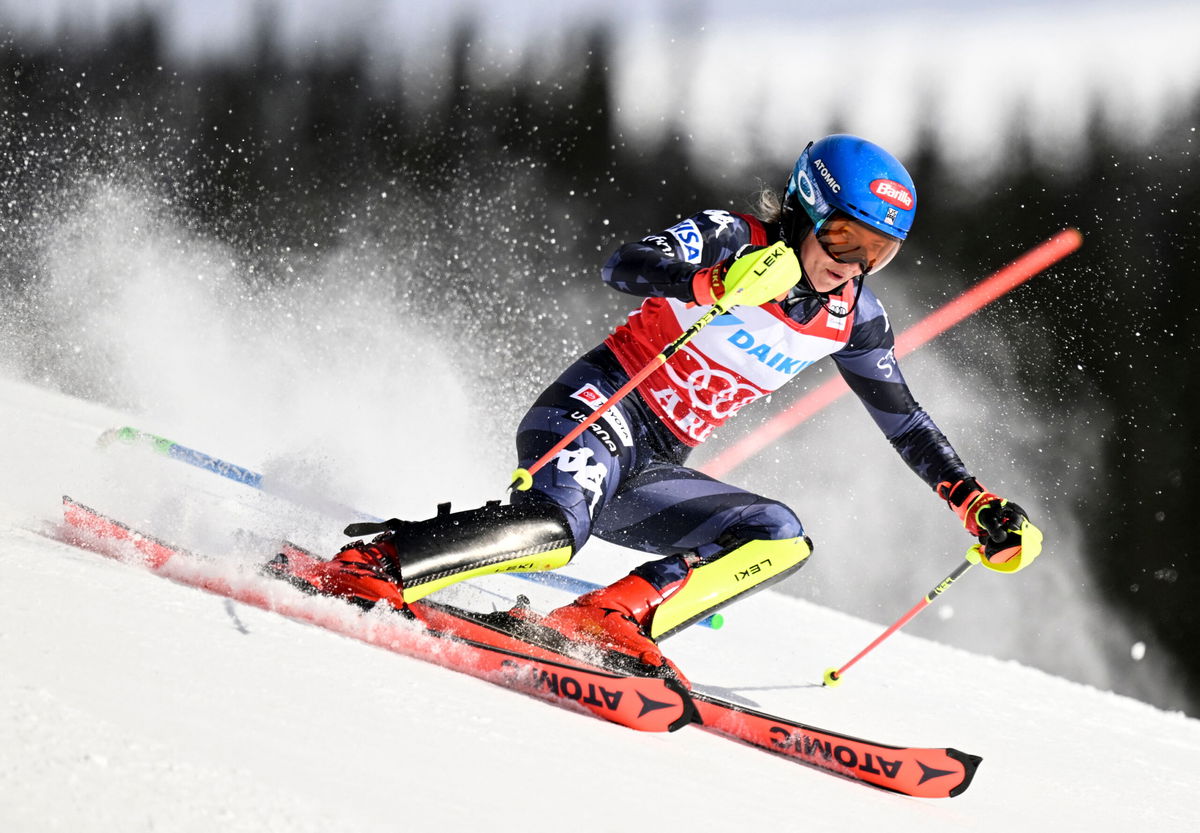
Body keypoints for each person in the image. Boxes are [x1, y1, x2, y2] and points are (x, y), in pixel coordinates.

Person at [275, 134, 1043, 674]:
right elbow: (627, 264)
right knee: (552, 532)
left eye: (878, 254)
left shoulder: (853, 319)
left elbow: (902, 418)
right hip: (593, 408)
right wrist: (708, 284)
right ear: (807, 210)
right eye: (844, 240)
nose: (852, 268)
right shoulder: (733, 237)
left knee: (777, 535)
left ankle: (609, 621)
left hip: (651, 466)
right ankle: (376, 563)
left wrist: (973, 502)